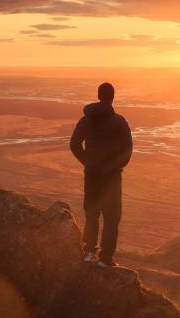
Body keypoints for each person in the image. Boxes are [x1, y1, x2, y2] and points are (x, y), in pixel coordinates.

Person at [70, 82, 133, 267]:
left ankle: (89, 252)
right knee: (112, 218)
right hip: (112, 178)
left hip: (92, 176)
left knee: (92, 214)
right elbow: (127, 150)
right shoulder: (119, 122)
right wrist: (114, 167)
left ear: (98, 96)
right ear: (112, 97)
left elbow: (74, 144)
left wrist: (88, 163)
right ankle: (105, 259)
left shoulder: (86, 120)